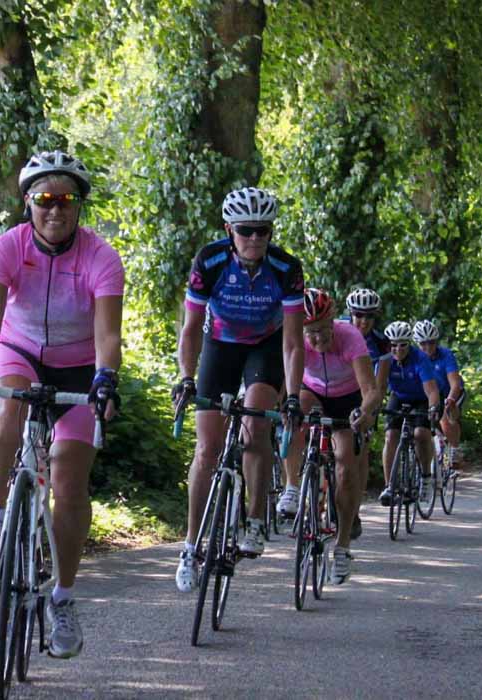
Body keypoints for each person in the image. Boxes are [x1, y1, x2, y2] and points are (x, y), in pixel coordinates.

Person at [0, 151, 123, 659]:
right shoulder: (7, 247)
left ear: (78, 206)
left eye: (65, 199)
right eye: (45, 199)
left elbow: (109, 333)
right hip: (19, 349)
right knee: (10, 410)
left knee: (69, 479)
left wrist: (106, 378)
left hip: (79, 364)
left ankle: (64, 599)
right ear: (29, 203)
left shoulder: (101, 257)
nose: (55, 209)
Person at [172, 187, 306, 593]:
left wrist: (295, 395)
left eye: (263, 231)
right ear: (229, 230)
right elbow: (191, 328)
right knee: (206, 449)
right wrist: (186, 376)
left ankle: (254, 520)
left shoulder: (285, 268)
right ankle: (191, 545)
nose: (255, 239)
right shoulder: (209, 261)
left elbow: (293, 343)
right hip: (221, 343)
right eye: (246, 231)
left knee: (255, 425)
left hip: (266, 346)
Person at [278, 289, 382, 584]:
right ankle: (293, 487)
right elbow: (287, 384)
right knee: (296, 413)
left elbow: (371, 391)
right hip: (313, 393)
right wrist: (286, 404)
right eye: (311, 333)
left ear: (334, 322)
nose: (318, 339)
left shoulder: (350, 336)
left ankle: (343, 546)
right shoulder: (298, 341)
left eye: (324, 331)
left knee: (347, 464)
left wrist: (363, 413)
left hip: (348, 401)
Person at [375, 321, 442, 506]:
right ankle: (389, 485)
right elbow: (380, 388)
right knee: (390, 436)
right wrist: (373, 408)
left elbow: (431, 390)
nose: (397, 349)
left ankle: (426, 477)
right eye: (393, 345)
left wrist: (433, 408)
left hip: (421, 398)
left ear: (409, 344)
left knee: (421, 433)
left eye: (402, 344)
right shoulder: (385, 359)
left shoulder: (420, 358)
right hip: (398, 397)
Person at [414, 320, 465, 472]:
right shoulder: (413, 357)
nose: (428, 347)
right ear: (417, 343)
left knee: (446, 416)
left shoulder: (446, 355)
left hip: (449, 390)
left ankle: (455, 450)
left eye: (431, 343)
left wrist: (450, 399)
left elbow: (455, 383)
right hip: (428, 393)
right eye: (423, 344)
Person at [345, 288, 390, 361]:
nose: (364, 321)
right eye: (359, 314)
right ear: (351, 315)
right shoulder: (338, 336)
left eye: (370, 315)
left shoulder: (382, 342)